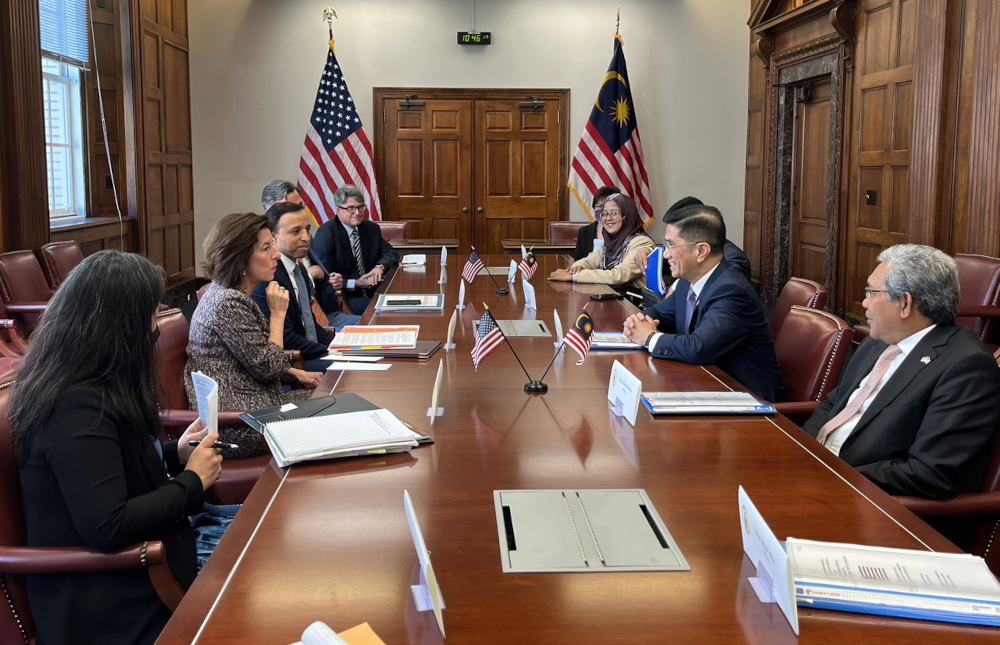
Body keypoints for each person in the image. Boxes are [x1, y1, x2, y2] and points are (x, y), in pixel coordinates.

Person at [10, 250, 228, 645]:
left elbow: (105, 470)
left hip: (146, 563)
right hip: (110, 601)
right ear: (120, 325)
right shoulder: (74, 404)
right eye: (150, 314)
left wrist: (173, 454)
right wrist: (193, 481)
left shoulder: (92, 382)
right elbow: (108, 526)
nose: (154, 326)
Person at [802, 245, 1000, 498]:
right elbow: (834, 404)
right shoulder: (878, 340)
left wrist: (833, 475)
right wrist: (801, 452)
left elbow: (931, 473)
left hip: (871, 501)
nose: (864, 302)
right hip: (817, 472)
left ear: (905, 303)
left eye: (871, 292)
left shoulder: (966, 367)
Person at [186, 212, 324, 457]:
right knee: (336, 405)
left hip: (259, 408)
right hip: (243, 425)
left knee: (335, 393)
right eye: (266, 248)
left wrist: (293, 372)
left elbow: (250, 356)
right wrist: (277, 315)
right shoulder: (227, 302)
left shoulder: (229, 295)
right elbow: (268, 367)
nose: (276, 254)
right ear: (239, 259)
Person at [623, 204, 782, 402]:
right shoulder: (687, 281)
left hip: (746, 401)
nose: (665, 254)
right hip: (705, 386)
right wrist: (637, 322)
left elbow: (698, 347)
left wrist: (649, 338)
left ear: (701, 251)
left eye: (672, 245)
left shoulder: (731, 290)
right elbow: (660, 312)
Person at [260, 179, 360, 329]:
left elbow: (324, 273)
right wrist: (308, 274)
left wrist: (332, 279)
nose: (304, 236)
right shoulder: (266, 256)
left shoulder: (305, 236)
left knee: (374, 325)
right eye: (289, 207)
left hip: (324, 313)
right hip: (303, 327)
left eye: (300, 206)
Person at [253, 200, 338, 371]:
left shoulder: (299, 269)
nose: (306, 237)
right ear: (273, 237)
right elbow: (286, 338)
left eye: (307, 229)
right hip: (293, 362)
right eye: (295, 231)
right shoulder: (269, 278)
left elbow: (310, 325)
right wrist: (330, 352)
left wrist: (340, 346)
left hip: (310, 352)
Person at [312, 184, 400, 315]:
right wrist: (357, 283)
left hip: (373, 290)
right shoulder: (326, 234)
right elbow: (327, 278)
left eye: (360, 207)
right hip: (344, 296)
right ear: (338, 210)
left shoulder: (370, 228)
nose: (357, 213)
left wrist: (379, 267)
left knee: (402, 304)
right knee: (387, 311)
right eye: (351, 208)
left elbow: (391, 252)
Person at [635, 196, 752, 289]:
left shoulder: (735, 259)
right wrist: (647, 252)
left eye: (672, 244)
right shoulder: (681, 249)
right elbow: (665, 261)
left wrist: (675, 287)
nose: (667, 253)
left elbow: (723, 285)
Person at [548, 193, 655, 290]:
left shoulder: (641, 242)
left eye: (614, 213)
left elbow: (618, 275)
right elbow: (589, 261)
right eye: (604, 213)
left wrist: (574, 276)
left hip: (637, 305)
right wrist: (575, 269)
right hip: (616, 298)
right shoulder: (612, 242)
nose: (607, 218)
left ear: (626, 216)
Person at [573, 185, 621, 261]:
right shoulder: (584, 232)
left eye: (609, 207)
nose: (603, 211)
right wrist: (587, 261)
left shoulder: (625, 232)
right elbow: (577, 261)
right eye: (600, 206)